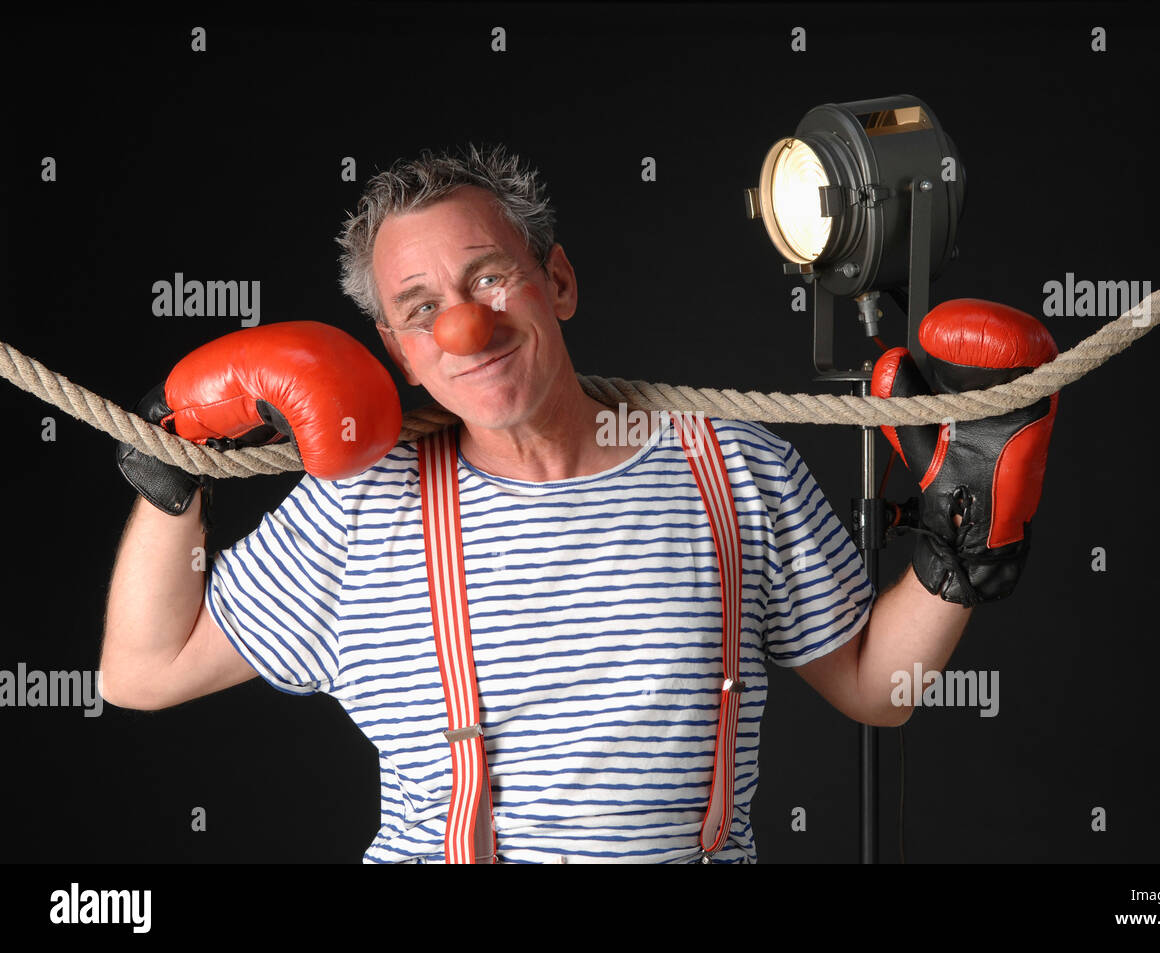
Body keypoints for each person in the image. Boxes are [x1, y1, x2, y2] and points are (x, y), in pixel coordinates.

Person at [101, 143, 1055, 863]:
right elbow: (140, 673)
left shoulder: (732, 465)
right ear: (398, 350)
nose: (465, 326)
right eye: (422, 306)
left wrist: (962, 546)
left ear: (555, 281)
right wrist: (168, 480)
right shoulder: (358, 503)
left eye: (487, 276)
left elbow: (875, 691)